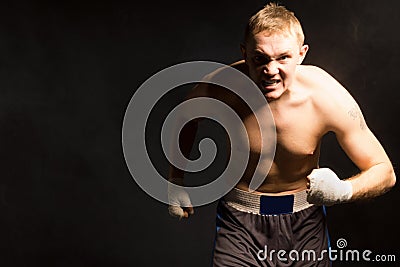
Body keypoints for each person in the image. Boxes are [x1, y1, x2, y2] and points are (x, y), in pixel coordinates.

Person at [167, 2, 396, 266]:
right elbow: (185, 116)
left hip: (305, 225)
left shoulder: (326, 97)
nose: (270, 70)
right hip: (239, 226)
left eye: (283, 58)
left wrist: (344, 190)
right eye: (260, 58)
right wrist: (176, 178)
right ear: (245, 53)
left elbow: (384, 171)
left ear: (302, 54)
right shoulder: (223, 87)